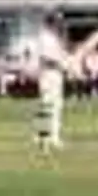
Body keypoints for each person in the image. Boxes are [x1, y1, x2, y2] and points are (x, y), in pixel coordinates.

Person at [29, 10, 69, 153]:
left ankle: (54, 137)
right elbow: (45, 59)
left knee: (57, 106)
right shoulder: (44, 37)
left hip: (57, 74)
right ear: (50, 22)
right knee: (46, 104)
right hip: (47, 73)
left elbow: (61, 56)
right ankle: (41, 136)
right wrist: (61, 64)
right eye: (57, 22)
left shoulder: (57, 38)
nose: (59, 25)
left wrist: (66, 64)